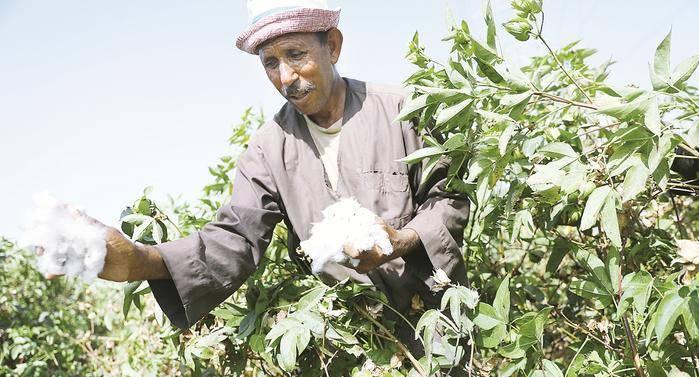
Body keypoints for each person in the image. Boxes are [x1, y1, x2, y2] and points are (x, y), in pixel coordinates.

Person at [44, 0, 470, 359]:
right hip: (358, 346)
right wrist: (142, 261)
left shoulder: (403, 111)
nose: (285, 77)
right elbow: (233, 240)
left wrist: (400, 241)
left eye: (296, 54)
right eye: (271, 63)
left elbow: (449, 201)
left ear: (333, 46)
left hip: (441, 335)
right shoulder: (268, 150)